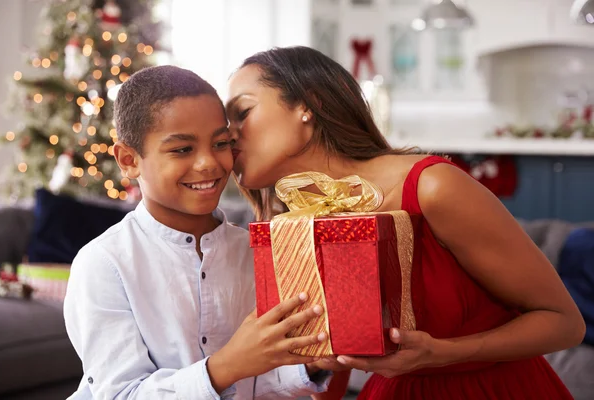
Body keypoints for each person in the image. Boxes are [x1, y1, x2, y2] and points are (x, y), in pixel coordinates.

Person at [225, 46, 586, 399]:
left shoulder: (434, 187)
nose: (229, 134)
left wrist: (445, 352)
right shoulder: (295, 224)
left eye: (242, 111)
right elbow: (332, 377)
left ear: (311, 105)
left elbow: (565, 323)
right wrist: (322, 362)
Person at [63, 65, 333, 399]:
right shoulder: (104, 264)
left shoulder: (255, 250)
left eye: (221, 143)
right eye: (182, 149)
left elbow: (255, 382)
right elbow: (122, 394)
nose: (209, 163)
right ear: (129, 159)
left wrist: (309, 365)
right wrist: (228, 365)